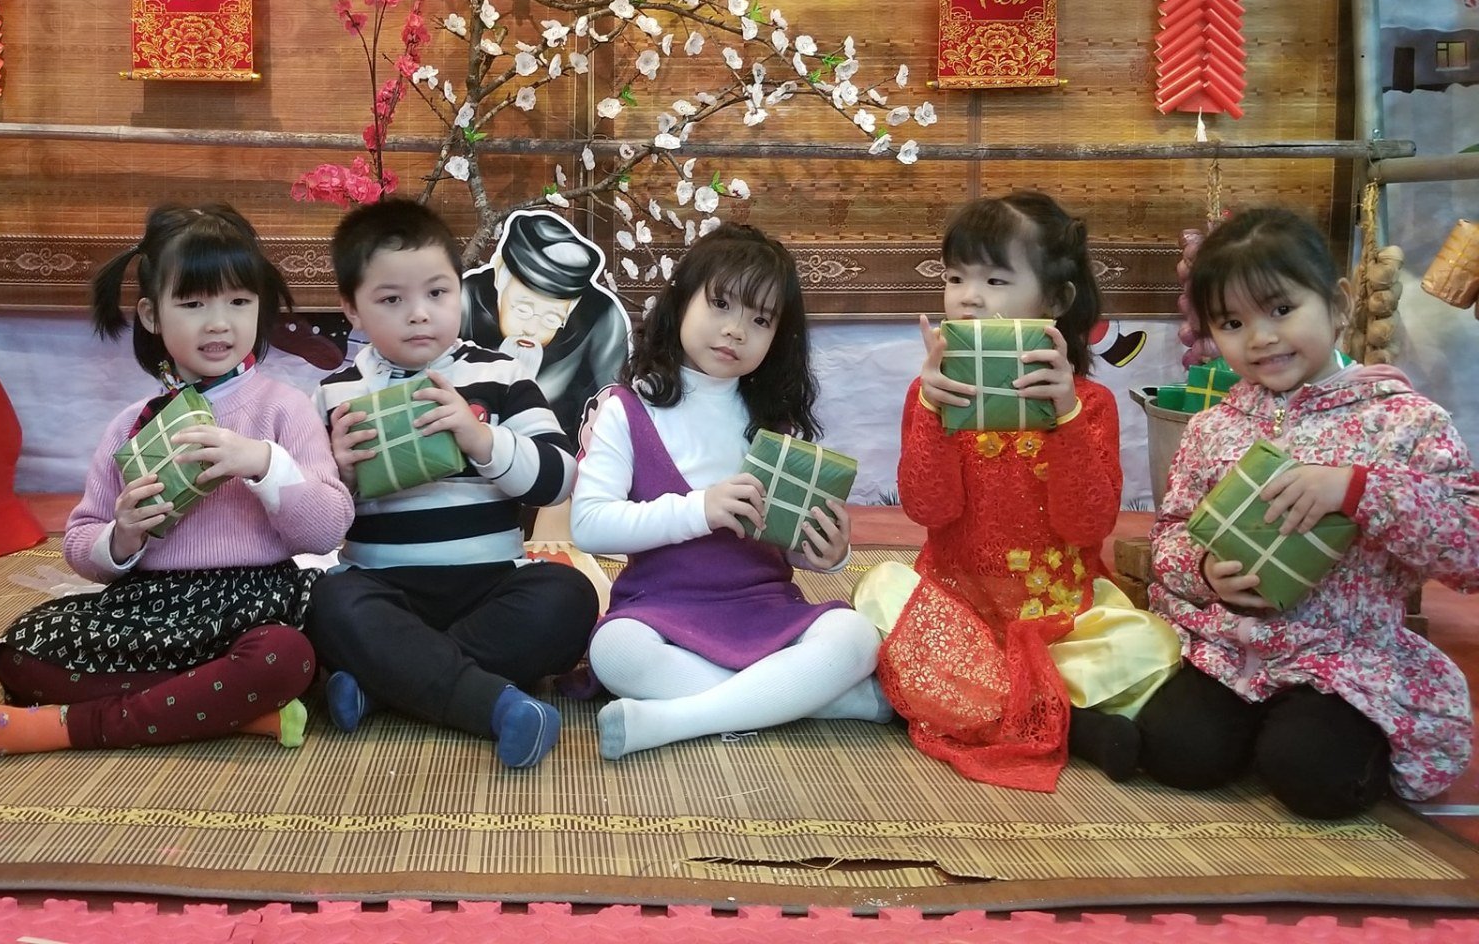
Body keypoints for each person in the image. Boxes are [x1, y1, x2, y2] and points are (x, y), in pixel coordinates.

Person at [0, 204, 352, 762]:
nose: (218, 323)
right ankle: (226, 707)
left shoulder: (283, 409)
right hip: (152, 606)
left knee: (287, 656)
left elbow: (328, 528)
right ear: (151, 315)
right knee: (19, 651)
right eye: (192, 304)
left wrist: (264, 463)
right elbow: (82, 545)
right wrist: (122, 537)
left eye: (239, 302)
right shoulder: (132, 424)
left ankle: (70, 727)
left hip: (256, 601)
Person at [1141, 207, 1479, 817]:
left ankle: (1311, 741)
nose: (1261, 338)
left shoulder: (1403, 422)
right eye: (1232, 322)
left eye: (1281, 308)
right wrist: (1203, 571)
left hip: (1346, 661)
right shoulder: (1213, 428)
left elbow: (1469, 551)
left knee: (1312, 773)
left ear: (1339, 303)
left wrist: (1358, 489)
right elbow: (1169, 534)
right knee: (1174, 751)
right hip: (1231, 651)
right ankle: (1262, 732)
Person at [854, 192, 1180, 791]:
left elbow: (1088, 527)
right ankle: (1073, 725)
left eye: (996, 280)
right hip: (957, 611)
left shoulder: (1090, 404)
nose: (968, 297)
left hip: (1059, 619)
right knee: (877, 590)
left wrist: (1066, 419)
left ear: (1055, 300)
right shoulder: (928, 396)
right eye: (955, 278)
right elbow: (928, 509)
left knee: (1151, 645)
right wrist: (932, 415)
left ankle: (982, 703)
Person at [570, 224, 885, 760]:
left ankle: (676, 720)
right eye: (720, 304)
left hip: (764, 609)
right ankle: (810, 698)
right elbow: (589, 526)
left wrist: (829, 552)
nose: (736, 330)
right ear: (680, 301)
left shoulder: (774, 425)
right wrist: (702, 508)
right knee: (614, 651)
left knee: (856, 636)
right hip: (660, 611)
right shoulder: (626, 410)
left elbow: (788, 542)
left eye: (761, 320)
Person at [310, 198, 598, 769]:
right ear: (352, 309)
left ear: (460, 291)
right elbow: (314, 523)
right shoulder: (335, 395)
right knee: (326, 601)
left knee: (570, 596)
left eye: (437, 293)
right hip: (382, 587)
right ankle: (492, 704)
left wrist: (482, 439)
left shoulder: (502, 374)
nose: (419, 314)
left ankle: (389, 683)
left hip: (492, 585)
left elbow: (558, 478)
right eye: (391, 300)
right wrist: (339, 474)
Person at [460, 209, 630, 439]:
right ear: (499, 276)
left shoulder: (600, 320)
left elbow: (609, 411)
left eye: (551, 319)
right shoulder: (464, 303)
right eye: (522, 309)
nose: (531, 329)